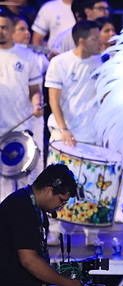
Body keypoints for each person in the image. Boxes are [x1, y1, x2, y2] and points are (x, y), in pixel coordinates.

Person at [0, 164, 81, 286]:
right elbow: (29, 260)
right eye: (62, 201)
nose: (61, 206)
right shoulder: (21, 207)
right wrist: (65, 283)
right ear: (48, 191)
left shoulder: (35, 209)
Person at [45, 19, 102, 246]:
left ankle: (92, 234)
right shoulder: (59, 62)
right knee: (56, 184)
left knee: (92, 186)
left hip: (92, 135)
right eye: (95, 38)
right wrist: (64, 129)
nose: (100, 42)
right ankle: (54, 230)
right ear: (82, 40)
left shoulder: (103, 62)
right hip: (64, 135)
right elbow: (54, 99)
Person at [0, 9, 44, 201]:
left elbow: (35, 89)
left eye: (4, 27)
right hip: (0, 130)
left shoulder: (27, 56)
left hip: (21, 129)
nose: (1, 31)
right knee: (2, 188)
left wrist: (36, 104)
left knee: (25, 184)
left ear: (11, 29)